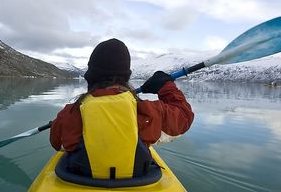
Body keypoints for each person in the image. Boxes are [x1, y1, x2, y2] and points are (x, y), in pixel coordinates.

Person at [50, 38, 194, 180]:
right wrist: (166, 87)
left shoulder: (69, 114)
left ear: (91, 76)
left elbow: (57, 143)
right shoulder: (148, 112)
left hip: (81, 179)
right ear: (125, 77)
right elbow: (185, 116)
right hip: (138, 180)